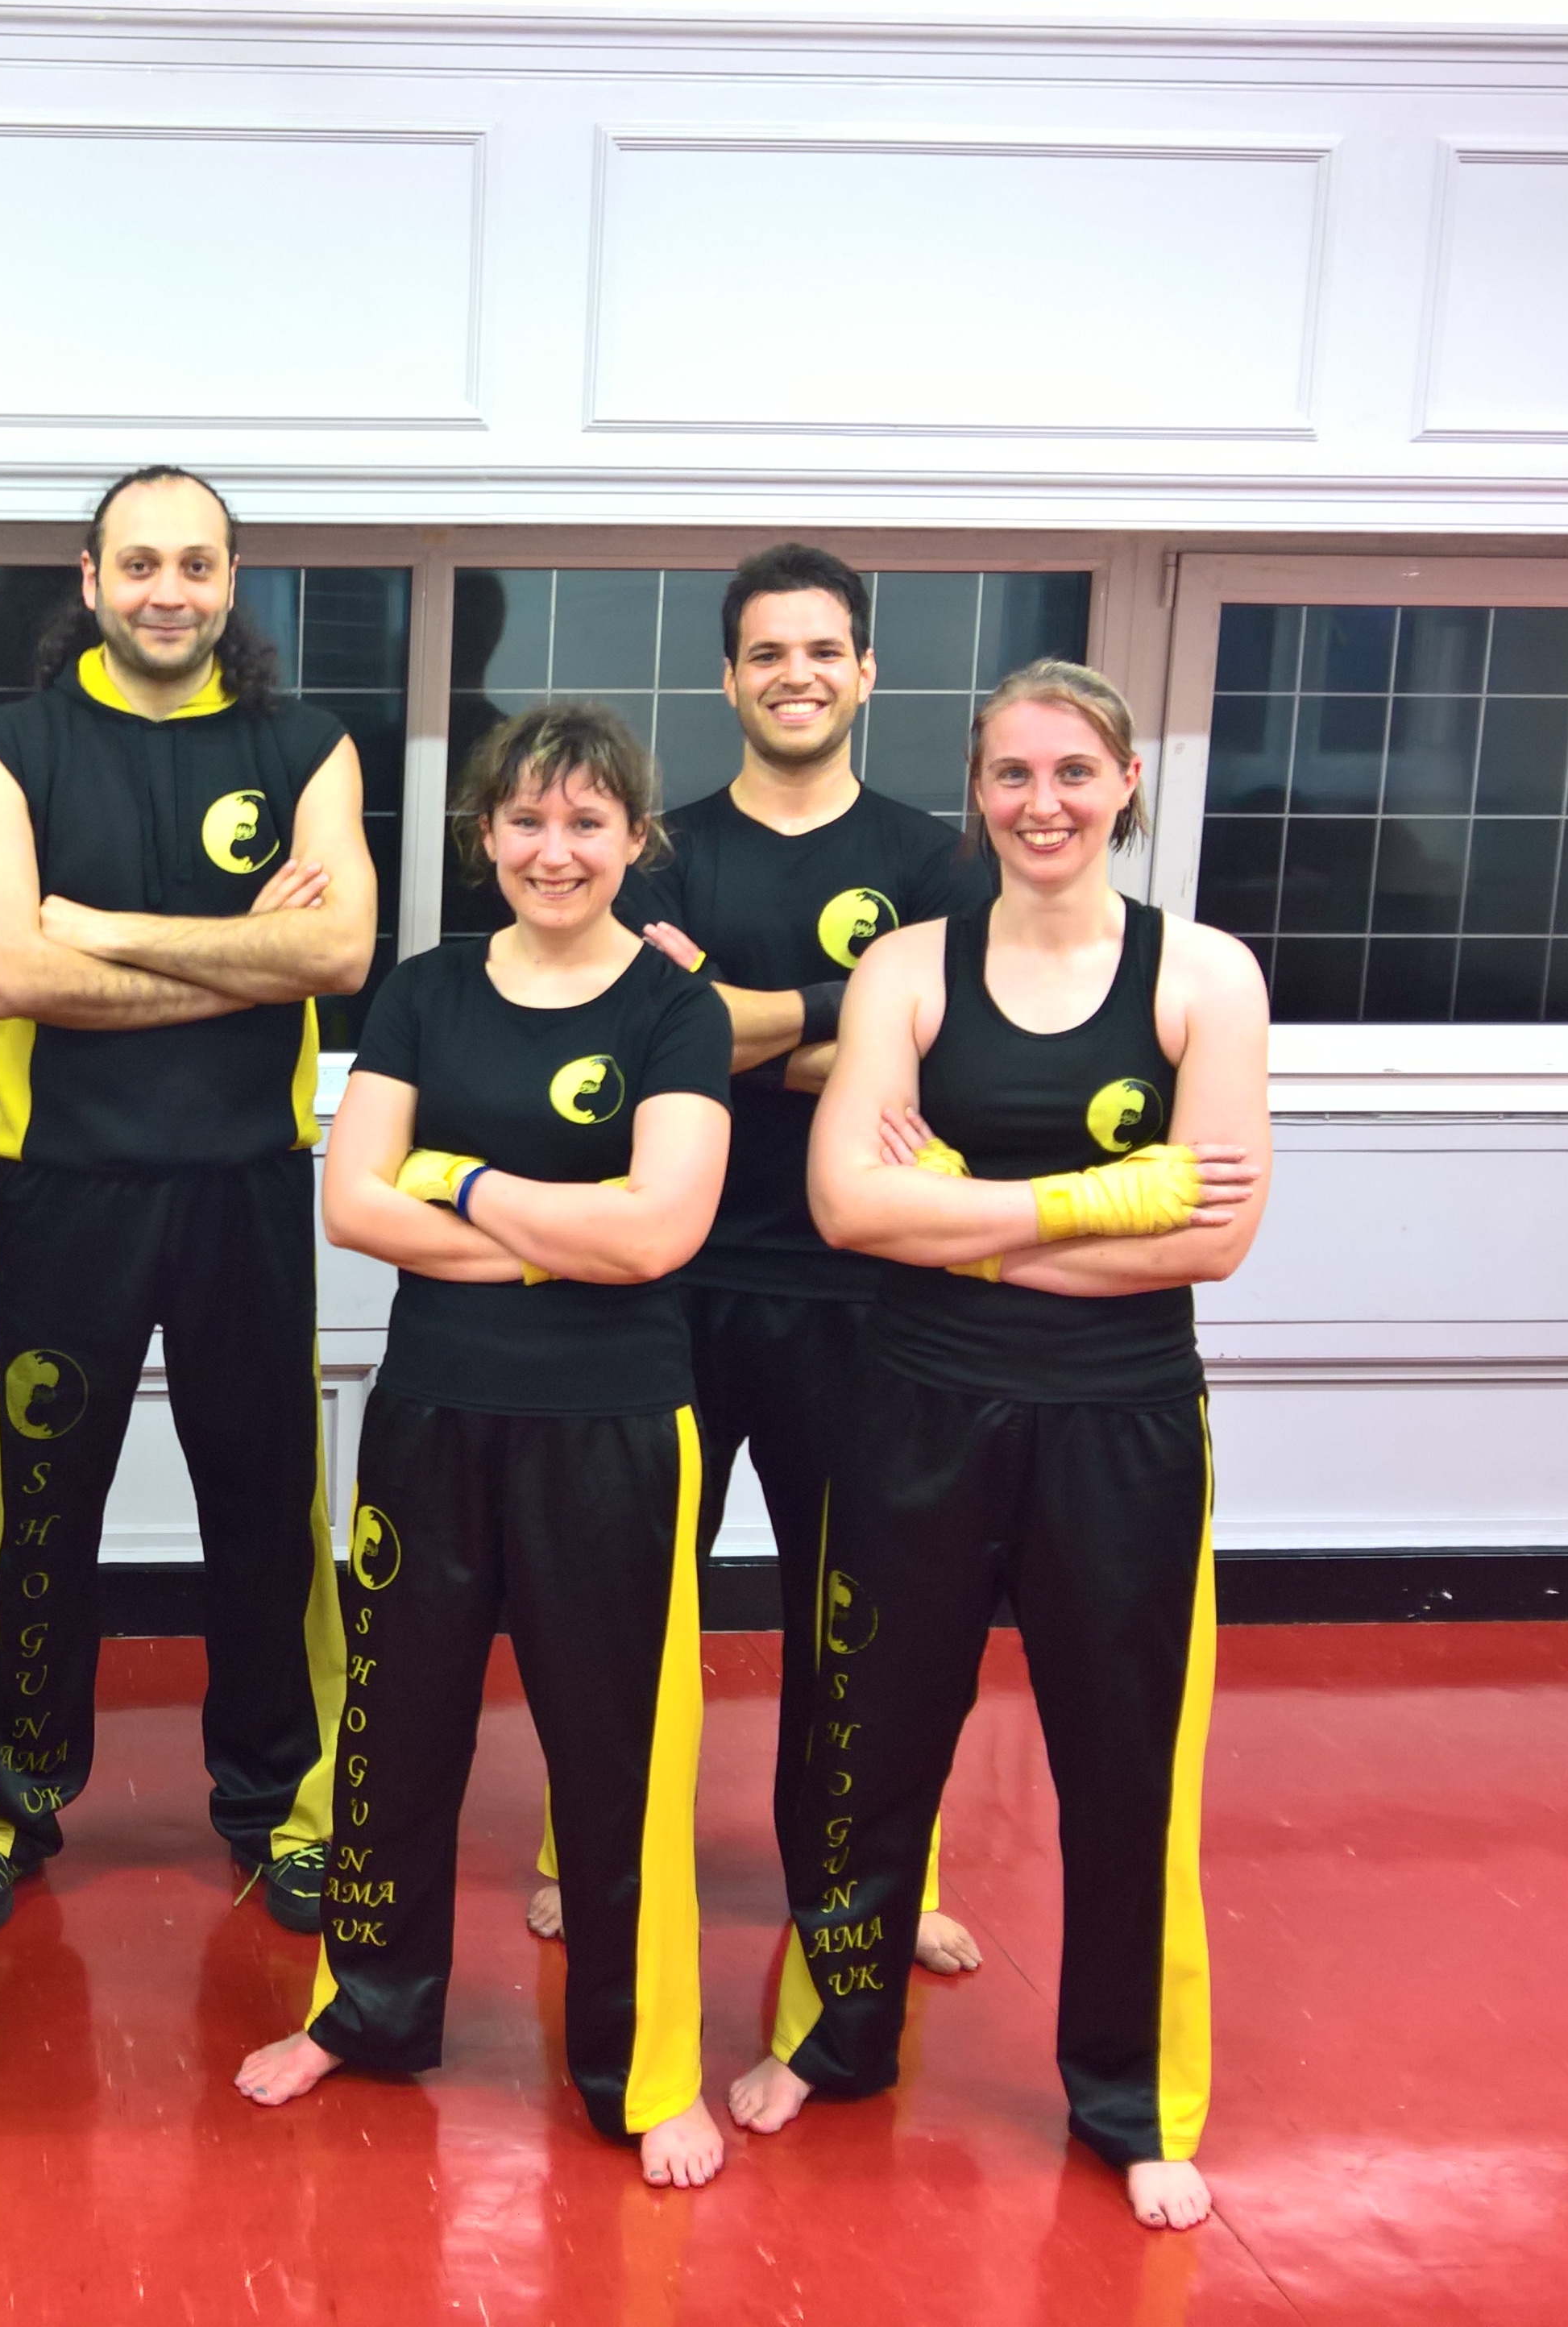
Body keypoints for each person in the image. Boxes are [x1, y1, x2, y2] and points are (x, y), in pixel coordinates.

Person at [235, 703, 735, 2190]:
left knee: (618, 1754)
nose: (553, 849)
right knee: (395, 1733)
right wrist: (558, 1231)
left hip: (615, 1424)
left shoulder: (675, 1010)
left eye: (586, 822)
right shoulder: (427, 992)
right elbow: (352, 1203)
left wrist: (455, 1180)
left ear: (635, 840)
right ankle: (366, 2009)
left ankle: (643, 2063)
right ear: (485, 836)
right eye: (526, 820)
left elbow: (658, 1236)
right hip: (436, 1413)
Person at [800, 659, 1272, 2230]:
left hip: (1121, 1425)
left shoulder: (1205, 976)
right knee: (874, 1740)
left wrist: (965, 1214)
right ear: (978, 789)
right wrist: (1098, 1198)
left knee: (1124, 1768)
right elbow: (848, 1206)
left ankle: (1128, 2099)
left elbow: (1213, 1239)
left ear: (1126, 783)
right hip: (917, 1410)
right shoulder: (908, 969)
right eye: (1012, 773)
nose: (1042, 802)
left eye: (1074, 772)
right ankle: (840, 2038)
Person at [0, 465, 373, 1935]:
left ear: (232, 579)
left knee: (268, 1507)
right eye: (139, 563)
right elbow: (10, 973)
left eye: (196, 563)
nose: (168, 590)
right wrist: (237, 956)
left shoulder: (306, 746)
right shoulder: (7, 752)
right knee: (36, 1512)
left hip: (245, 1186)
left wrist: (109, 933)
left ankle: (284, 1801)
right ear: (89, 578)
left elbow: (336, 956)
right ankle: (0, 1799)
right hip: (60, 1186)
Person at [593, 548, 998, 2068]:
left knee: (870, 1612)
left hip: (865, 1295)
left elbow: (947, 1062)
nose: (796, 675)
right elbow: (661, 1035)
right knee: (631, 1595)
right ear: (728, 677)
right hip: (680, 1281)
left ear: (867, 671)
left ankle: (872, 1880)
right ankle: (598, 1845)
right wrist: (856, 1021)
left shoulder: (937, 865)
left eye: (823, 650)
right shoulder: (663, 857)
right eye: (767, 653)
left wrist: (752, 1029)